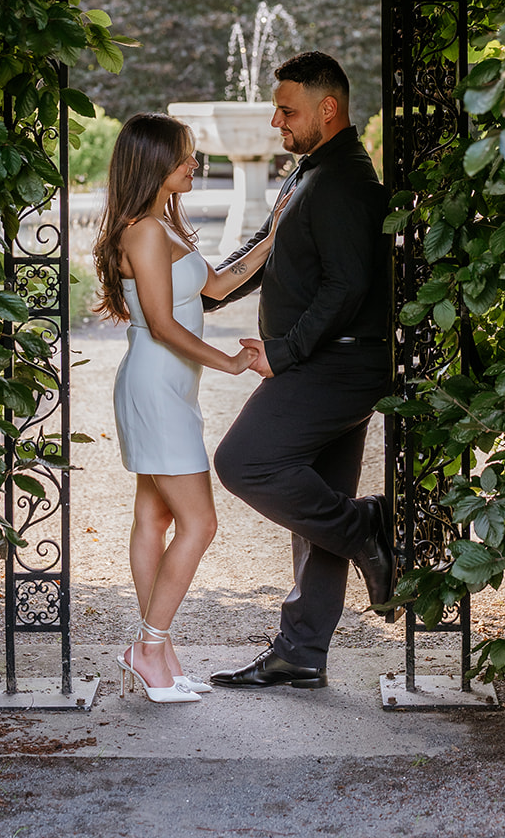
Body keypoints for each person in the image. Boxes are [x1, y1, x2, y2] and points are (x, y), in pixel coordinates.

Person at [204, 51, 394, 691]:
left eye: (287, 110)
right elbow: (264, 250)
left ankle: (366, 527)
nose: (277, 123)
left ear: (327, 108)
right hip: (329, 359)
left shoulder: (342, 181)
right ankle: (302, 650)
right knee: (315, 507)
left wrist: (282, 354)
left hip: (338, 362)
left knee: (244, 462)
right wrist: (198, 293)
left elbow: (347, 285)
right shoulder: (312, 172)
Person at [93, 112, 284, 704]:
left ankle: (161, 656)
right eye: (184, 157)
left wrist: (277, 230)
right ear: (154, 163)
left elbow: (220, 285)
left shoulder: (161, 226)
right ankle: (149, 648)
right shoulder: (144, 232)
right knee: (200, 523)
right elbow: (161, 323)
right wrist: (228, 362)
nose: (194, 164)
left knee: (155, 520)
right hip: (155, 386)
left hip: (169, 387)